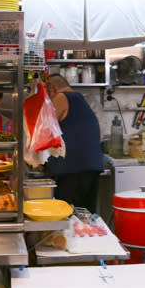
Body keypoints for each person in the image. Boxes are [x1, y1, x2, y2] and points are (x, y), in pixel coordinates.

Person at [45, 74, 105, 213]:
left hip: (72, 171)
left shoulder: (62, 97)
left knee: (66, 217)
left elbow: (45, 127)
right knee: (85, 217)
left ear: (52, 89)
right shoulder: (79, 99)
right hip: (89, 168)